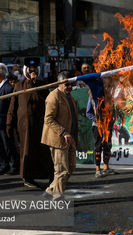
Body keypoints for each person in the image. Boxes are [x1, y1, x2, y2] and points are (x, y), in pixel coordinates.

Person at [7, 61, 54, 188]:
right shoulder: (19, 85)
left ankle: (50, 176)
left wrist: (35, 82)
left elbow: (48, 102)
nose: (33, 72)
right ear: (26, 70)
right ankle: (28, 177)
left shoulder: (42, 85)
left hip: (40, 123)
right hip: (25, 125)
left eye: (35, 70)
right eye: (30, 69)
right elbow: (13, 106)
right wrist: (9, 124)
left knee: (44, 150)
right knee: (27, 149)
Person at [41, 71, 78, 199]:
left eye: (71, 84)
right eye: (67, 84)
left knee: (71, 167)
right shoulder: (53, 97)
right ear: (60, 83)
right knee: (61, 170)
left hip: (70, 138)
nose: (70, 87)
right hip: (58, 139)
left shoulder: (69, 96)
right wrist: (63, 132)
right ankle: (58, 197)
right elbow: (48, 119)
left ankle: (51, 189)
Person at [84, 63, 116, 178]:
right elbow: (88, 113)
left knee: (107, 145)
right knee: (98, 146)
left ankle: (106, 167)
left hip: (108, 125)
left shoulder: (109, 97)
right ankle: (97, 169)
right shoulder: (93, 96)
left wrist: (112, 119)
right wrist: (97, 120)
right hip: (97, 126)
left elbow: (113, 110)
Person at [0, 63, 19, 175]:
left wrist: (9, 122)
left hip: (4, 122)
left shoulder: (8, 88)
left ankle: (14, 165)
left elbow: (11, 107)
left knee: (8, 145)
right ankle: (3, 165)